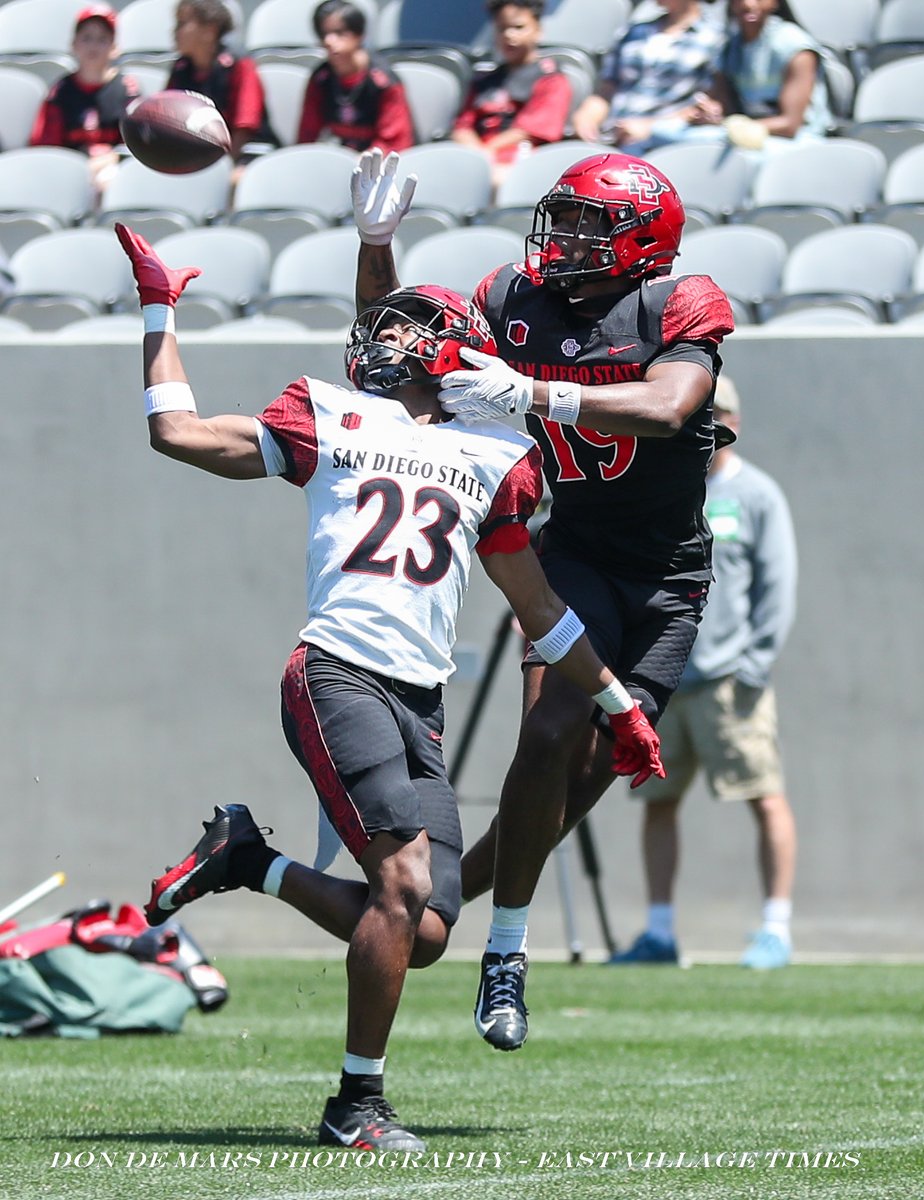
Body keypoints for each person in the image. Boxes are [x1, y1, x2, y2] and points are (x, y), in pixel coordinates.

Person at [113, 221, 664, 1149]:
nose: (380, 340)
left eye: (404, 329)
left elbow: (541, 613)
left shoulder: (493, 458)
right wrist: (160, 307)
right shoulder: (333, 414)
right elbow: (179, 433)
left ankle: (249, 859)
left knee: (431, 926)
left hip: (420, 698)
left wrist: (618, 707)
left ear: (445, 355)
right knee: (405, 885)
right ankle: (355, 1107)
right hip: (335, 670)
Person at [351, 148, 734, 1051]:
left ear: (642, 238)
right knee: (553, 728)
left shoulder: (678, 302)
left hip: (669, 579)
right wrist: (375, 244)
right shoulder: (510, 300)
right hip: (574, 556)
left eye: (585, 225)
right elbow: (392, 344)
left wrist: (530, 392)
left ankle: (448, 901)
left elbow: (672, 405)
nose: (560, 239)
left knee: (584, 782)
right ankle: (508, 956)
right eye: (557, 218)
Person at [609, 374, 798, 969]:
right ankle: (660, 932)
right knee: (657, 804)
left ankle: (776, 927)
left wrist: (753, 667)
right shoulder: (666, 489)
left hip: (728, 685)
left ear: (731, 424)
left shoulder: (758, 495)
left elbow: (778, 588)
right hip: (662, 683)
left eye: (712, 417)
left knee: (763, 796)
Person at [571, 0, 724, 155]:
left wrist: (650, 127)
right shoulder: (633, 32)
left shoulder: (716, 38)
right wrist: (587, 116)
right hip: (614, 139)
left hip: (666, 145)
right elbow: (607, 89)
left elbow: (709, 104)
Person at [451, 0, 572, 191]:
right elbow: (462, 127)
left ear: (538, 30)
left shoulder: (551, 79)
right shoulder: (484, 79)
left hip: (521, 160)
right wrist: (477, 155)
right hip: (478, 157)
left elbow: (530, 131)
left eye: (519, 27)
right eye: (501, 29)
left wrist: (487, 152)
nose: (509, 35)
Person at [686, 0, 833, 152]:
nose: (748, 4)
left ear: (775, 3)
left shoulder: (795, 46)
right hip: (741, 134)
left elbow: (790, 125)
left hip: (795, 141)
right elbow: (723, 103)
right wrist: (713, 112)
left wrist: (732, 126)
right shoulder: (729, 48)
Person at [29, 4, 141, 196]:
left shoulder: (127, 89)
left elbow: (136, 145)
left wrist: (108, 159)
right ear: (73, 45)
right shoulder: (60, 91)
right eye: (86, 38)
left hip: (112, 171)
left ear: (115, 47)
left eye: (102, 39)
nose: (93, 46)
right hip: (67, 174)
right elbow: (46, 146)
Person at [167, 0, 278, 163]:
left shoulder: (240, 65)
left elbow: (245, 126)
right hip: (202, 155)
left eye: (182, 24)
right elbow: (166, 112)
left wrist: (223, 166)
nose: (175, 32)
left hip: (248, 154)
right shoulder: (181, 68)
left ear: (209, 31)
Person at [297, 0, 414, 154]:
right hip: (336, 159)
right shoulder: (321, 78)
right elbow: (308, 134)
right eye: (324, 34)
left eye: (339, 33)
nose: (329, 41)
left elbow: (394, 141)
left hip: (375, 167)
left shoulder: (383, 82)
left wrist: (364, 162)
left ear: (359, 35)